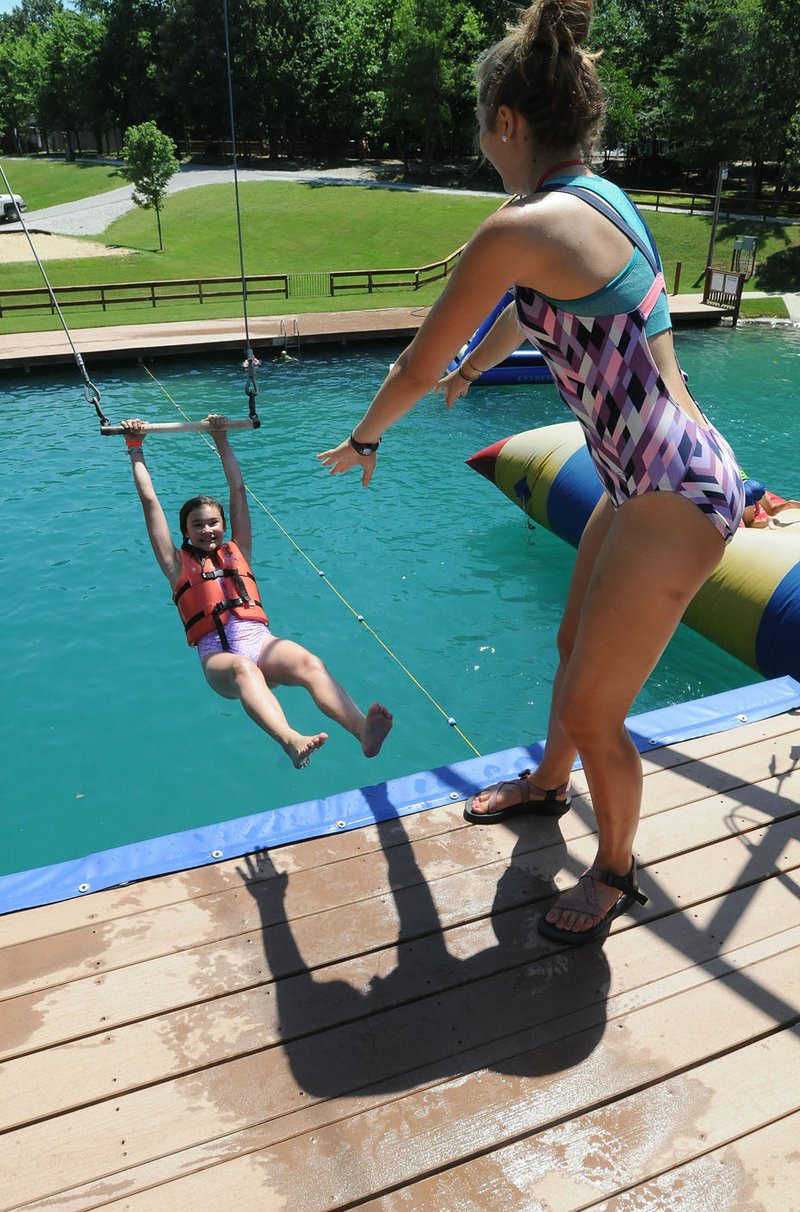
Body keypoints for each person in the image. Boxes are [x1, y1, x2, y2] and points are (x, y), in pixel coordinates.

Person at [317, 0, 744, 945]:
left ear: (507, 122)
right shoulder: (594, 201)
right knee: (569, 652)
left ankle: (617, 871)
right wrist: (476, 370)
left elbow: (411, 366)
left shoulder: (522, 226)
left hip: (673, 492)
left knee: (598, 707)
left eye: (482, 124)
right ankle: (550, 788)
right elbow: (529, 306)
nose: (480, 141)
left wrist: (369, 436)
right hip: (647, 476)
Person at [122, 415, 392, 769]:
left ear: (224, 525)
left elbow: (237, 491)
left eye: (213, 522)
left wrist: (220, 438)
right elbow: (150, 501)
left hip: (258, 640)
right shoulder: (175, 565)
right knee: (243, 671)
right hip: (219, 656)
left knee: (310, 663)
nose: (207, 530)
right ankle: (290, 739)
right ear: (185, 532)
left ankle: (363, 731)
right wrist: (135, 447)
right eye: (197, 525)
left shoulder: (239, 549)